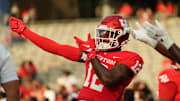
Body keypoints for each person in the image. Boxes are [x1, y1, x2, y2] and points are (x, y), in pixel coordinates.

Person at [9, 15, 144, 101]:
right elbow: (56, 48)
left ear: (123, 37)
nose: (103, 37)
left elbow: (109, 79)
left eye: (109, 34)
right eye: (102, 33)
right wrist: (25, 31)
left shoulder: (131, 58)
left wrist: (91, 55)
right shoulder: (95, 53)